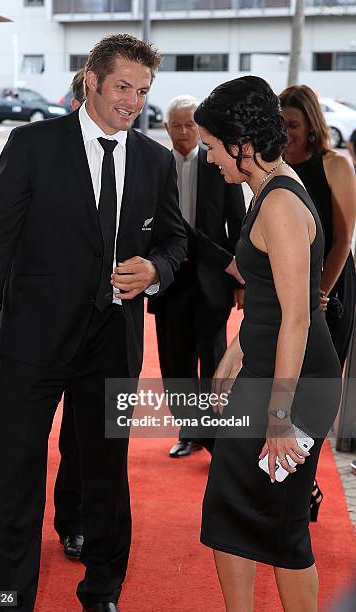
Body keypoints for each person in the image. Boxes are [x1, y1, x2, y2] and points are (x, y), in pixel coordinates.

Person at [0, 33, 187, 612]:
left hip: (113, 343)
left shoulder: (156, 160)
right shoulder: (33, 146)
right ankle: (7, 598)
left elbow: (177, 239)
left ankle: (102, 591)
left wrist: (154, 269)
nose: (132, 101)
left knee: (107, 476)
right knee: (17, 475)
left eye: (143, 90)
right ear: (92, 81)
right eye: (122, 88)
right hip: (34, 341)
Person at [195, 76, 342, 611]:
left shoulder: (279, 204)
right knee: (229, 510)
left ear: (242, 144)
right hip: (271, 377)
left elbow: (298, 318)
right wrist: (235, 355)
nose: (211, 159)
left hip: (295, 389)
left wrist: (279, 416)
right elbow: (270, 298)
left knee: (282, 530)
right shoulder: (267, 190)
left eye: (213, 147)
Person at [0, 68, 89, 563]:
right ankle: (5, 538)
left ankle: (74, 523)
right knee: (18, 451)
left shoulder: (135, 155)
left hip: (96, 331)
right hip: (29, 324)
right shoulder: (33, 144)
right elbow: (0, 234)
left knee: (83, 443)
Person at [148, 94, 245, 458]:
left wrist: (239, 281)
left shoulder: (216, 161)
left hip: (212, 277)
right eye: (178, 125)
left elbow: (237, 220)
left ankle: (216, 436)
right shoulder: (157, 165)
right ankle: (189, 430)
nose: (185, 132)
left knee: (215, 358)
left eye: (191, 125)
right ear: (167, 127)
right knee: (176, 363)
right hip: (171, 277)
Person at [280, 85, 356, 520]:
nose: (287, 133)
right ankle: (295, 484)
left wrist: (319, 294)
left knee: (316, 396)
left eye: (293, 124)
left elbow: (343, 238)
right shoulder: (278, 167)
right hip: (291, 291)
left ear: (312, 124)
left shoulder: (335, 164)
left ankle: (303, 488)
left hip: (332, 290)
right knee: (285, 394)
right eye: (282, 125)